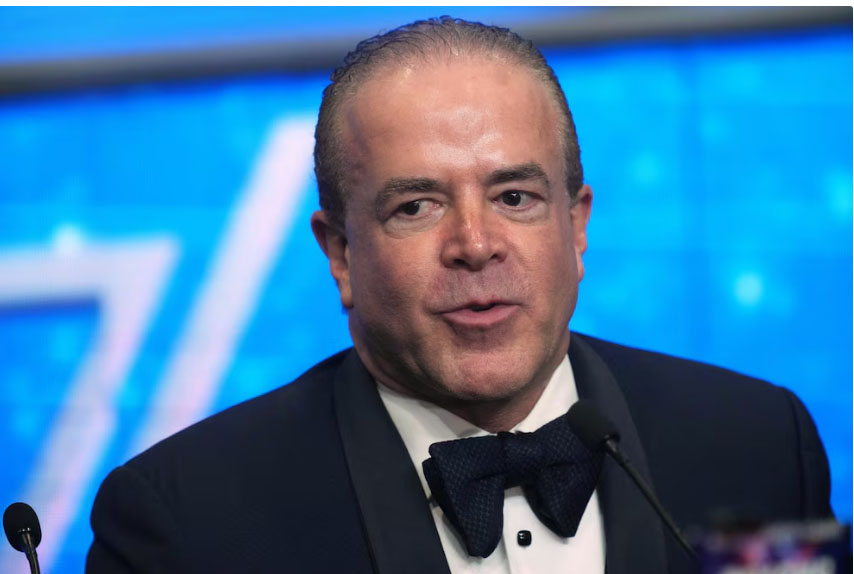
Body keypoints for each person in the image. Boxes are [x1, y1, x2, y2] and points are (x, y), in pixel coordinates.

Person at [86, 17, 832, 574]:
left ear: (576, 227)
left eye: (514, 197)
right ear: (340, 253)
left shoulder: (758, 445)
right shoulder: (190, 523)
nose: (475, 244)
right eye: (416, 206)